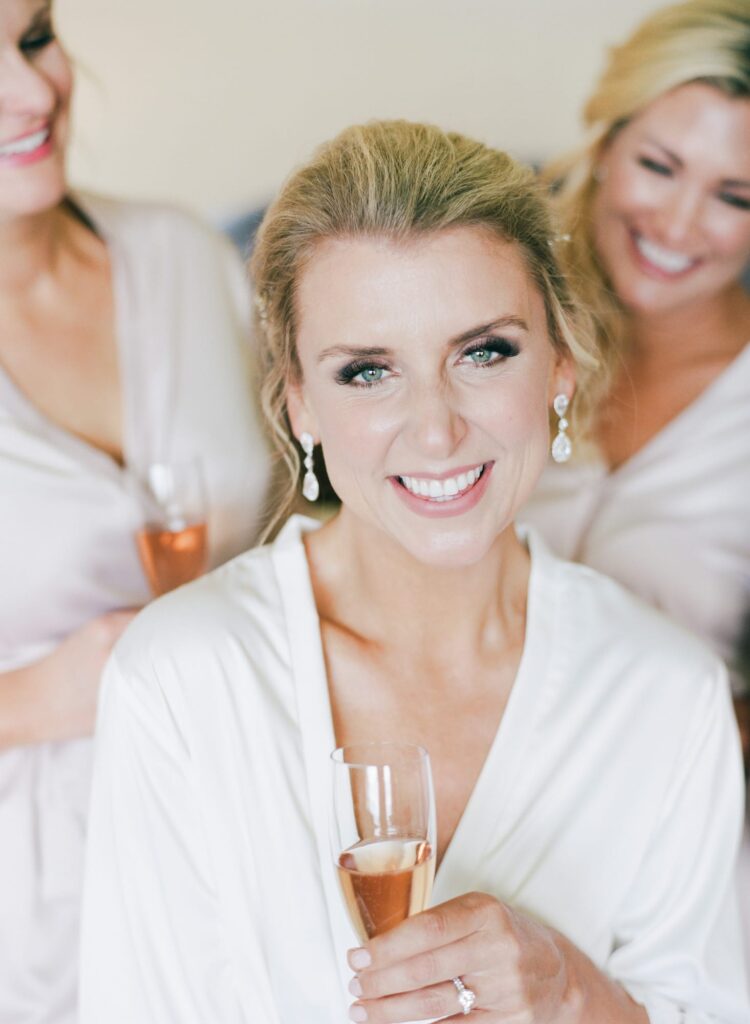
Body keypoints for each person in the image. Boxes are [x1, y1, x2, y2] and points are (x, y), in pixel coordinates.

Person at [79, 120, 747, 1023]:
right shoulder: (185, 679)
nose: (435, 431)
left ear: (561, 363)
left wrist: (570, 991)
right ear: (298, 404)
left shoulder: (670, 697)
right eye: (367, 372)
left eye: (484, 353)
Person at [0, 0, 271, 1020]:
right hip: (31, 926)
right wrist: (36, 697)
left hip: (241, 844)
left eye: (33, 37)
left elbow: (299, 517)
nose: (33, 93)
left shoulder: (184, 256)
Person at [520, 0, 750, 692]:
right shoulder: (503, 319)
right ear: (606, 142)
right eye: (658, 165)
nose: (678, 225)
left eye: (734, 197)